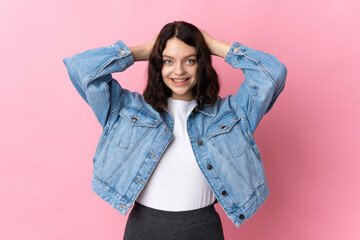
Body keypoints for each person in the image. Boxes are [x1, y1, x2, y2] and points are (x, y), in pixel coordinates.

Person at [63, 21, 287, 240]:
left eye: (190, 60)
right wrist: (143, 51)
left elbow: (272, 74)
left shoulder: (231, 114)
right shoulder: (125, 108)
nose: (178, 71)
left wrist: (212, 45)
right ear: (157, 63)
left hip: (203, 228)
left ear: (202, 63)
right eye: (168, 61)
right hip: (144, 228)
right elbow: (80, 69)